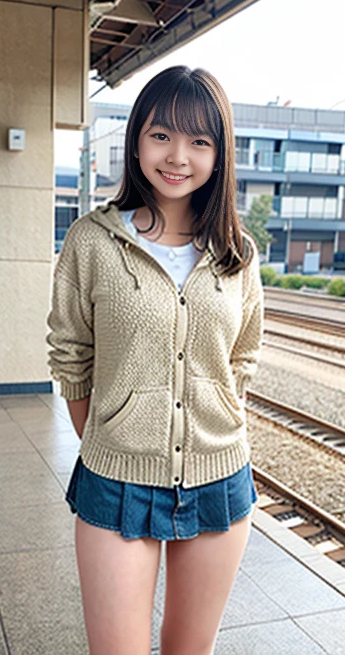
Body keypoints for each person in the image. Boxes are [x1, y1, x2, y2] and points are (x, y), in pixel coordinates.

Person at [46, 65, 264, 655]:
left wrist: (217, 416)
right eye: (162, 134)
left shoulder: (236, 253)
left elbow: (242, 355)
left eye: (200, 141)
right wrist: (108, 437)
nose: (178, 156)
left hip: (220, 478)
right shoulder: (92, 241)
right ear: (137, 138)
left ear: (219, 156)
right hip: (116, 482)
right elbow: (71, 354)